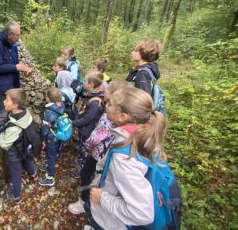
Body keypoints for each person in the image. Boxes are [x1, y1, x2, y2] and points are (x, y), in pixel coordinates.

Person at [86, 86, 166, 230]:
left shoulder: (124, 159)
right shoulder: (142, 135)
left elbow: (142, 213)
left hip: (112, 222)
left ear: (122, 117)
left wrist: (102, 198)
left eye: (109, 103)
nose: (106, 105)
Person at [68, 81, 131, 215]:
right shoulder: (127, 117)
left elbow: (96, 138)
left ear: (114, 96)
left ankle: (84, 201)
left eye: (108, 89)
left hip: (99, 153)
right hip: (108, 154)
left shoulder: (108, 116)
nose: (104, 89)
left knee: (86, 173)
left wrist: (87, 146)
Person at [0, 21, 31, 140]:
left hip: (12, 86)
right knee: (1, 113)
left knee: (8, 112)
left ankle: (7, 134)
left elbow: (13, 64)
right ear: (9, 34)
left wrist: (21, 68)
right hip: (1, 88)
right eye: (17, 34)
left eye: (19, 34)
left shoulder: (12, 45)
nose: (19, 37)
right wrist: (15, 67)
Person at [0, 88, 38, 204]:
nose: (3, 102)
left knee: (16, 173)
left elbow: (4, 144)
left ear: (15, 105)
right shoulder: (26, 113)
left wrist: (1, 133)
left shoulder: (13, 127)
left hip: (14, 154)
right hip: (25, 147)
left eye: (7, 100)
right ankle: (34, 175)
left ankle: (16, 197)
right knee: (26, 161)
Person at [70, 71, 104, 178]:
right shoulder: (91, 95)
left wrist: (75, 123)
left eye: (85, 81)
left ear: (92, 85)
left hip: (88, 130)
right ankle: (80, 160)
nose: (83, 82)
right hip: (85, 129)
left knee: (84, 149)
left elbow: (88, 118)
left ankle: (81, 169)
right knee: (81, 146)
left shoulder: (94, 102)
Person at [38, 87, 65, 186]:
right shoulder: (61, 106)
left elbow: (45, 129)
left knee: (50, 156)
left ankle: (50, 177)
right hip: (58, 134)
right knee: (54, 153)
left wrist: (42, 139)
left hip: (51, 138)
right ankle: (50, 166)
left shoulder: (49, 113)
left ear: (48, 98)